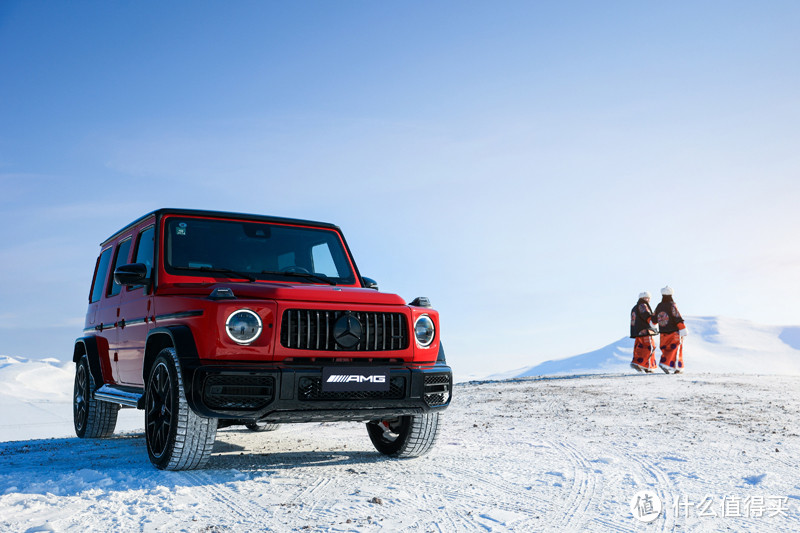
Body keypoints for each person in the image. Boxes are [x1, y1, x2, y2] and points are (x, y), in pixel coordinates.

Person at [654, 285, 687, 374]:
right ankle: (670, 365)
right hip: (673, 331)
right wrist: (682, 328)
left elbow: (654, 318)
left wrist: (653, 325)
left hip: (663, 332)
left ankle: (673, 366)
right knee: (675, 348)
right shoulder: (672, 305)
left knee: (666, 348)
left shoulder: (659, 306)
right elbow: (677, 317)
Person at [630, 291, 658, 372]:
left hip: (637, 332)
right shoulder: (643, 305)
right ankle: (642, 365)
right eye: (648, 298)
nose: (649, 300)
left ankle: (645, 365)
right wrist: (653, 322)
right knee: (650, 347)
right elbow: (647, 316)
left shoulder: (634, 308)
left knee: (640, 348)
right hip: (645, 331)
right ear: (644, 298)